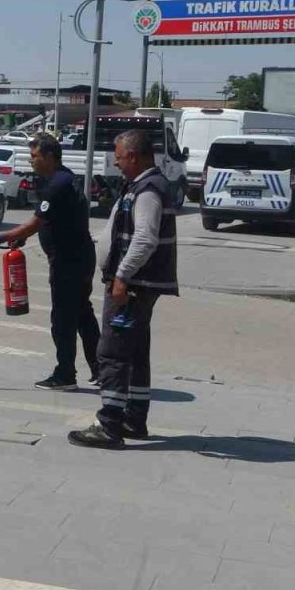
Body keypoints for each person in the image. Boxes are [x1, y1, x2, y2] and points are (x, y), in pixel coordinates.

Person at [67, 130, 178, 450]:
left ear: (133, 156)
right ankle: (134, 418)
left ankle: (110, 425)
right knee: (135, 351)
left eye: (118, 157)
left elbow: (145, 238)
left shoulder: (148, 190)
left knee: (113, 352)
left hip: (133, 287)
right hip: (138, 285)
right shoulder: (144, 186)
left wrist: (121, 277)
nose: (115, 163)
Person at [0, 135, 100, 391]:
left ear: (50, 157)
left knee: (63, 320)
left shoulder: (57, 184)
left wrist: (3, 236)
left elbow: (34, 223)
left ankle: (65, 375)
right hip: (79, 257)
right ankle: (102, 370)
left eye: (34, 156)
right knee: (82, 315)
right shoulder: (63, 178)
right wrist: (23, 236)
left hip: (68, 262)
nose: (30, 161)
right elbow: (50, 221)